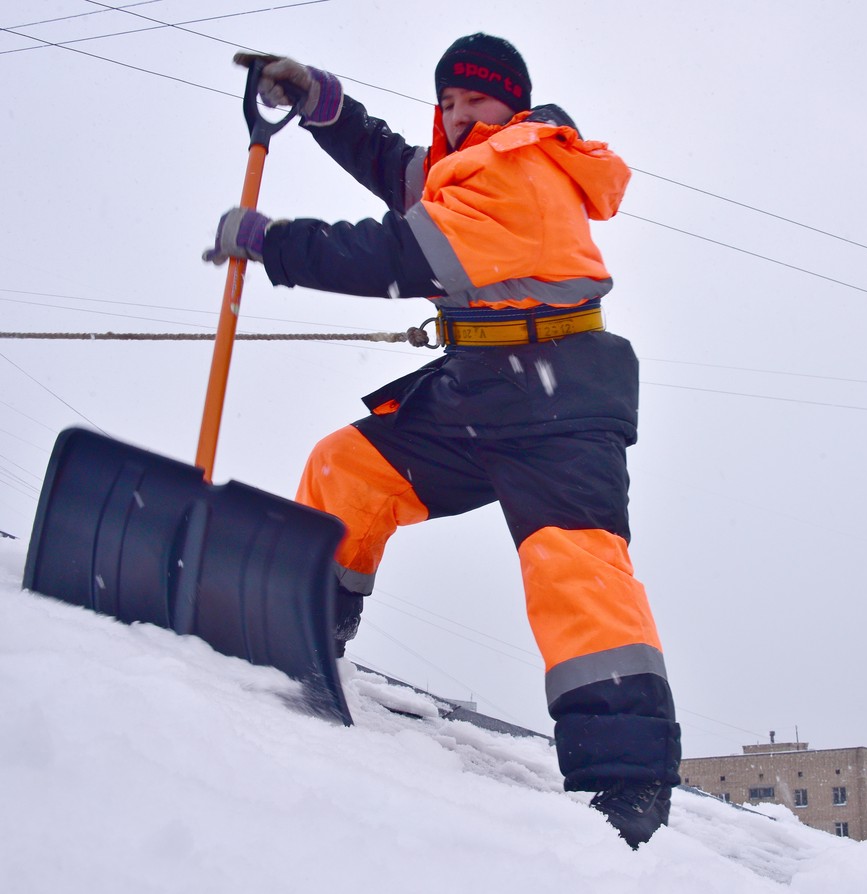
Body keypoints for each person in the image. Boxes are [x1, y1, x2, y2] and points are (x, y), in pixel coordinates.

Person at [203, 34, 680, 849]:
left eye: (478, 103)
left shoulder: (525, 172)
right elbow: (399, 171)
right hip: (477, 393)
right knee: (348, 467)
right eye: (450, 103)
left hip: (559, 407)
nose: (460, 117)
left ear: (514, 106)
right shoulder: (470, 163)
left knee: (574, 568)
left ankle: (627, 781)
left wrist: (270, 241)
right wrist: (325, 106)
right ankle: (312, 622)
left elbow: (397, 254)